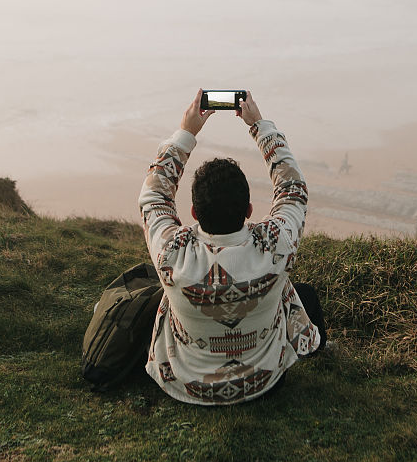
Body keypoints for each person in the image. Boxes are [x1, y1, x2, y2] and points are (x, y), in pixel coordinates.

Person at [138, 89, 326, 405]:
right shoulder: (274, 245)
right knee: (301, 293)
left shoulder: (172, 253)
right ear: (249, 211)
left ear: (194, 214)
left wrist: (186, 133)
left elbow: (155, 196)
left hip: (187, 385)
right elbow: (293, 189)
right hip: (265, 382)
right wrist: (259, 126)